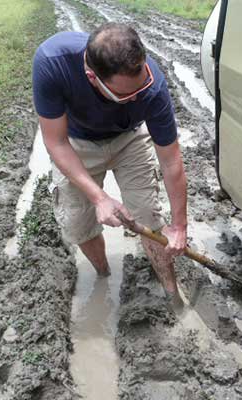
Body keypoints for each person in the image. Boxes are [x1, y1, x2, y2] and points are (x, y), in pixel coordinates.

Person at [32, 23, 187, 302]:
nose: (138, 97)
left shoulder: (153, 87)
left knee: (148, 215)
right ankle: (103, 275)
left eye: (141, 86)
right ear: (92, 77)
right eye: (126, 95)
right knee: (78, 222)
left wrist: (180, 225)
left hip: (129, 139)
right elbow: (55, 142)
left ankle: (172, 292)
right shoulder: (52, 63)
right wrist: (99, 197)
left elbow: (171, 161)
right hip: (76, 144)